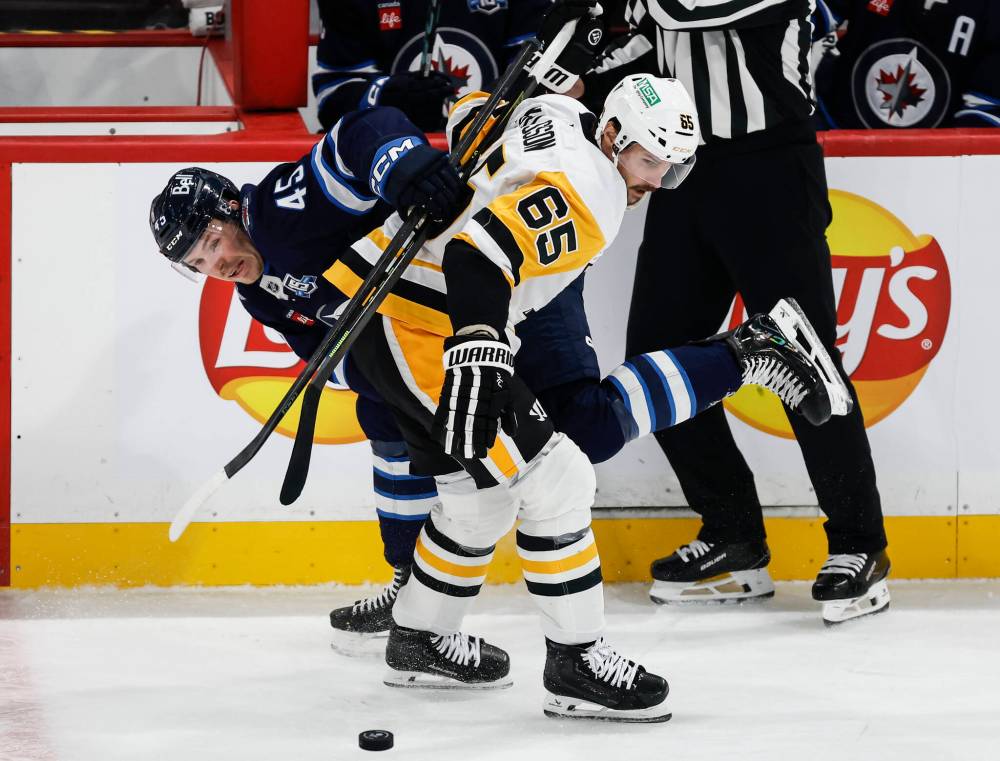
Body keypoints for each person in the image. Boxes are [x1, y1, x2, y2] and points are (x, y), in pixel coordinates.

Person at [571, 0, 892, 626]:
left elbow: (684, 10)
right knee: (656, 360)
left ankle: (859, 544)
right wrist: (573, 73)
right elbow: (653, 51)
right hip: (684, 168)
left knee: (808, 358)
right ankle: (734, 536)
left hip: (770, 168)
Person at [312, 0, 553, 132]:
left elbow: (543, 67)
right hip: (393, 163)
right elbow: (333, 93)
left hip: (498, 150)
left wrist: (492, 103)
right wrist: (389, 97)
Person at [811, 0, 1000, 129]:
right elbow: (803, 16)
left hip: (934, 168)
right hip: (834, 132)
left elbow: (986, 111)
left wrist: (942, 167)